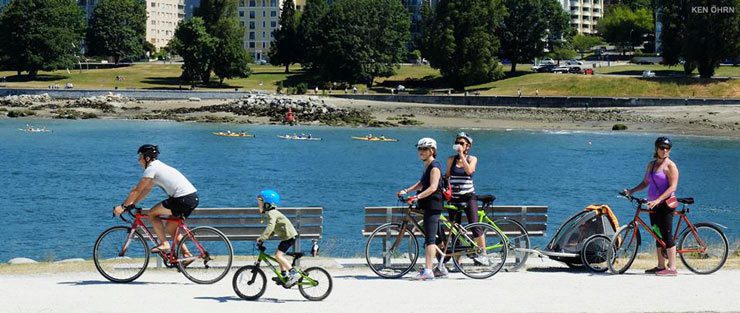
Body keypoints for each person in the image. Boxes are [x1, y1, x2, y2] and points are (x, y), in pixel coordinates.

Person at [113, 145, 199, 260]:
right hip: (191, 198)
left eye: (140, 157)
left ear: (147, 158)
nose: (139, 160)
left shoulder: (151, 169)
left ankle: (164, 244)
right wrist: (133, 203)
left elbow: (137, 190)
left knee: (152, 213)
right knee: (170, 228)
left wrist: (123, 206)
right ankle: (187, 254)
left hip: (182, 199)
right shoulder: (158, 167)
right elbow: (146, 189)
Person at [623, 137, 679, 276]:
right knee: (657, 234)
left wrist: (659, 200)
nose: (664, 150)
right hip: (652, 204)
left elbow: (673, 187)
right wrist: (631, 191)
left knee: (667, 235)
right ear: (656, 149)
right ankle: (660, 266)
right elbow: (645, 182)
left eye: (667, 148)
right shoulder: (651, 165)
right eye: (661, 147)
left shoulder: (670, 165)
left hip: (665, 204)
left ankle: (672, 268)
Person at [436, 132, 484, 276]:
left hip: (468, 197)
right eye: (457, 142)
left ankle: (484, 255)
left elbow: (469, 171)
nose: (459, 145)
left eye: (462, 143)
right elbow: (447, 176)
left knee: (475, 225)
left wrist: (462, 155)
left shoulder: (472, 158)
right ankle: (458, 262)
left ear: (468, 146)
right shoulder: (451, 159)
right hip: (454, 199)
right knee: (454, 230)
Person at [398, 138, 444, 281]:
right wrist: (407, 190)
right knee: (435, 237)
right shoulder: (427, 165)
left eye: (424, 149)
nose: (421, 152)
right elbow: (421, 183)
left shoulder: (435, 166)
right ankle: (442, 267)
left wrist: (416, 198)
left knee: (430, 240)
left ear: (432, 151)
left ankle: (428, 271)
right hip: (427, 204)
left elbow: (433, 187)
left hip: (433, 205)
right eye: (419, 149)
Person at [256, 189, 300, 286]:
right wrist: (267, 237)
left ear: (267, 204)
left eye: (261, 202)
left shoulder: (272, 213)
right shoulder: (272, 213)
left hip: (289, 237)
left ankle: (294, 273)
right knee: (278, 254)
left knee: (278, 256)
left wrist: (262, 238)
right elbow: (273, 229)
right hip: (287, 237)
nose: (259, 205)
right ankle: (284, 275)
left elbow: (270, 226)